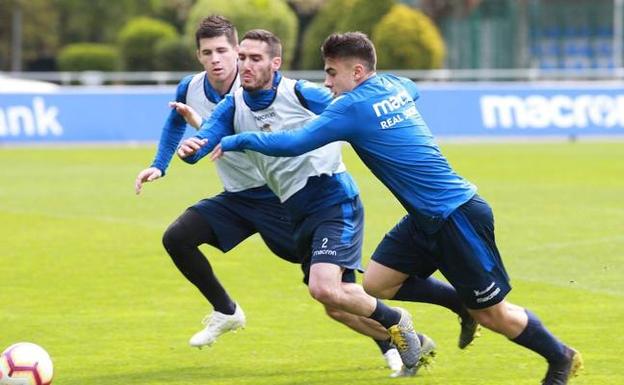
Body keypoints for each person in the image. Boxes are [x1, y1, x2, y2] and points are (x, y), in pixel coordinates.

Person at [206, 32, 584, 385]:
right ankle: (461, 305)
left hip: (457, 214)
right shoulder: (392, 84)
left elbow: (294, 142)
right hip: (423, 217)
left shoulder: (350, 107)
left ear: (356, 71)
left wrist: (235, 139)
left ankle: (559, 356)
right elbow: (412, 88)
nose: (327, 83)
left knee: (494, 314)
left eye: (332, 73)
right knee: (377, 283)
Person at [134, 17, 408, 376]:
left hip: (284, 198)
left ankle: (394, 339)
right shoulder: (195, 88)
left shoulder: (277, 88)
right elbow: (193, 130)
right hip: (238, 197)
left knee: (335, 294)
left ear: (239, 52)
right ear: (198, 56)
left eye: (225, 51)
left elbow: (339, 111)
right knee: (178, 237)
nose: (218, 59)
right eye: (207, 52)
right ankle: (227, 312)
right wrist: (165, 162)